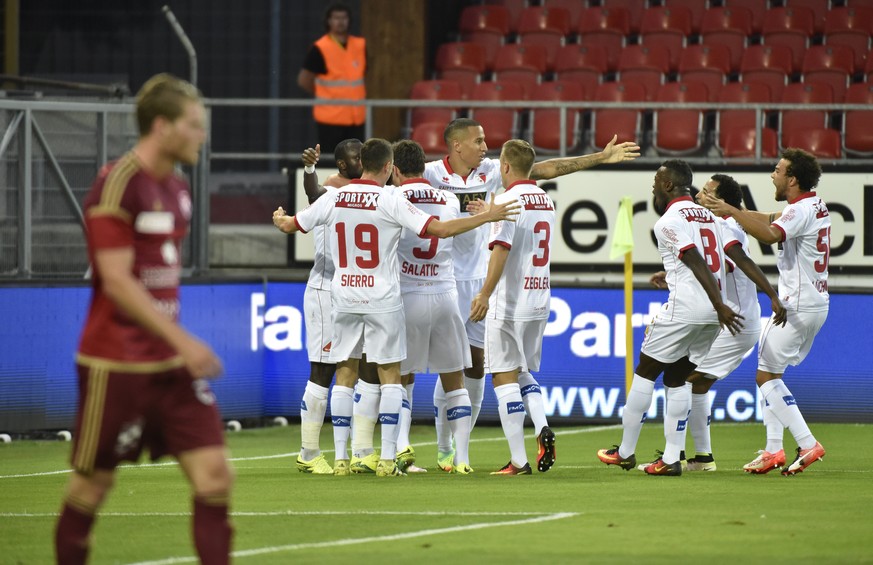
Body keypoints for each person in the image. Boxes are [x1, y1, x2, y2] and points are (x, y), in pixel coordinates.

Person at [55, 73, 232, 564]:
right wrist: (184, 340)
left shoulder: (177, 189)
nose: (202, 135)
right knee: (92, 487)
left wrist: (176, 346)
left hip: (169, 367)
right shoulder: (117, 183)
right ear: (162, 126)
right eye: (194, 125)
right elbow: (115, 280)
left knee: (216, 475)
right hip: (116, 364)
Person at [272, 138, 519, 477]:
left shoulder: (336, 196)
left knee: (346, 373)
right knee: (396, 377)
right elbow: (442, 229)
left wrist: (280, 217)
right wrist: (489, 215)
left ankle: (344, 457)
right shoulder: (394, 199)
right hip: (390, 296)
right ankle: (394, 457)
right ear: (388, 167)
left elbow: (290, 225)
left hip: (343, 295)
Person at [424, 118, 641, 471]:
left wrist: (599, 158)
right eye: (478, 141)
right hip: (442, 279)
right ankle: (446, 446)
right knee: (461, 365)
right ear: (456, 145)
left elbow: (549, 167)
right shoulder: (431, 174)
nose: (485, 147)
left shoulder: (496, 174)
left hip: (485, 280)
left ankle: (463, 453)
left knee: (479, 367)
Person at [596, 160, 744, 476]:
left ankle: (624, 452)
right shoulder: (712, 218)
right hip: (710, 316)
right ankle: (672, 458)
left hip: (690, 308)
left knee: (646, 370)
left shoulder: (667, 222)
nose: (653, 190)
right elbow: (721, 264)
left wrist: (717, 302)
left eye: (654, 184)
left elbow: (693, 258)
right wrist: (717, 303)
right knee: (677, 377)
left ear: (667, 186)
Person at [699, 149, 829, 476]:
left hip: (794, 302)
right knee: (772, 372)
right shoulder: (814, 205)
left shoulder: (799, 211)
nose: (773, 174)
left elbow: (771, 235)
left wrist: (728, 210)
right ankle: (773, 450)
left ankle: (807, 441)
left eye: (778, 170)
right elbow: (771, 219)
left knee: (765, 376)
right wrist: (737, 211)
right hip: (816, 302)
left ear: (793, 179)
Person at [650, 174, 786, 472]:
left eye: (708, 193)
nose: (699, 196)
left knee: (680, 380)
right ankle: (702, 458)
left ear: (723, 201)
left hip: (732, 321)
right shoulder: (723, 225)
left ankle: (674, 457)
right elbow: (721, 265)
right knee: (698, 385)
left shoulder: (726, 225)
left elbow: (741, 260)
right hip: (735, 319)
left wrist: (772, 295)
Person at [470, 139, 558, 475]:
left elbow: (502, 248)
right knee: (522, 370)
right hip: (540, 299)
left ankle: (519, 461)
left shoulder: (507, 199)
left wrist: (484, 294)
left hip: (510, 301)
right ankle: (541, 426)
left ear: (505, 167)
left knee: (503, 377)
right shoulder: (543, 198)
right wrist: (488, 215)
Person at [391, 139, 474, 474]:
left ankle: (401, 451)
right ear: (424, 168)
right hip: (444, 294)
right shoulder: (450, 198)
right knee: (455, 380)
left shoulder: (393, 197)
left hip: (407, 293)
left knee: (399, 378)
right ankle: (462, 459)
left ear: (394, 170)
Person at [297, 3, 366, 153]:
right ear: (328, 21)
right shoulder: (320, 48)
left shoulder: (359, 45)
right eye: (336, 18)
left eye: (344, 18)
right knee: (332, 160)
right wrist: (326, 94)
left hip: (356, 117)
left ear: (349, 20)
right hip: (331, 117)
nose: (340, 22)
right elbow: (304, 80)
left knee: (357, 159)